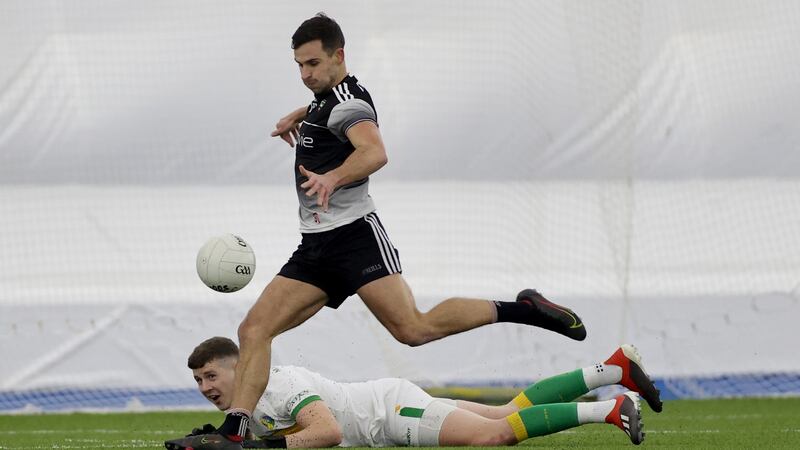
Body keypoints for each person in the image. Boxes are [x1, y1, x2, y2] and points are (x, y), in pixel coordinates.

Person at [215, 12, 589, 449]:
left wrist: (333, 178)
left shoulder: (350, 103)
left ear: (339, 55)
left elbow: (374, 152)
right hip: (315, 247)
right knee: (253, 331)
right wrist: (301, 113)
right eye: (299, 64)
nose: (305, 73)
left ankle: (524, 309)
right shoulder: (326, 98)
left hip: (355, 239)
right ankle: (236, 428)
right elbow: (329, 107)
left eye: (313, 64)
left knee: (414, 330)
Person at [164, 337, 663, 449]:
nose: (206, 388)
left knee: (492, 436)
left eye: (211, 376)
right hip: (389, 398)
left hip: (390, 412)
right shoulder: (244, 405)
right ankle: (611, 368)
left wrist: (257, 448)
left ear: (240, 367)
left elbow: (329, 431)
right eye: (198, 382)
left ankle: (609, 410)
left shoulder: (276, 381)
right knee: (507, 411)